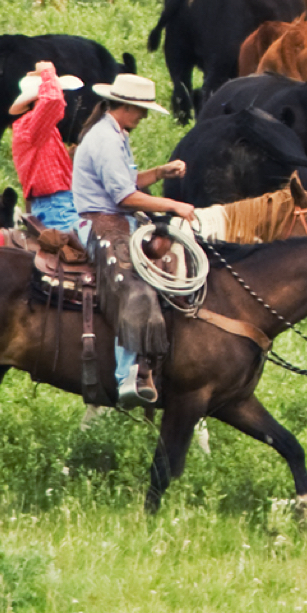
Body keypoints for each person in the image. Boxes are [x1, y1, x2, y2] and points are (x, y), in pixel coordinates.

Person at [69, 73, 195, 405]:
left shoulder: (115, 135)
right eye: (140, 110)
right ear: (124, 106)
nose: (143, 116)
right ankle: (127, 375)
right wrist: (172, 204)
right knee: (133, 287)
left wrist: (159, 173)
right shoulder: (107, 141)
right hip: (101, 225)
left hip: (116, 220)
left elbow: (126, 181)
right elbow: (124, 196)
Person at [7, 61, 84, 234]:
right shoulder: (32, 126)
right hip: (56, 205)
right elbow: (53, 100)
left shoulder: (39, 129)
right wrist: (47, 72)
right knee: (92, 247)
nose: (64, 98)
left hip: (56, 203)